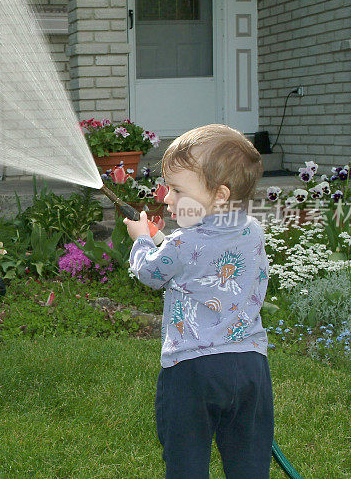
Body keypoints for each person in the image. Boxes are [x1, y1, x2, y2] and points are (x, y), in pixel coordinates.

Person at [124, 124, 273, 479]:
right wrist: (164, 237)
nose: (167, 199)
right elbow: (203, 256)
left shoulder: (184, 243)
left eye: (177, 190)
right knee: (249, 461)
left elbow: (151, 273)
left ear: (219, 195)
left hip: (192, 372)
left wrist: (142, 240)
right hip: (249, 367)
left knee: (186, 463)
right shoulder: (253, 230)